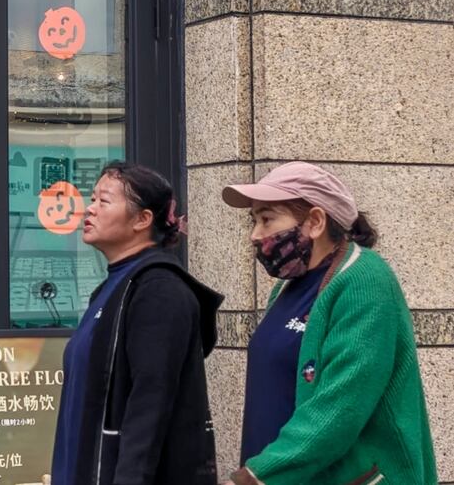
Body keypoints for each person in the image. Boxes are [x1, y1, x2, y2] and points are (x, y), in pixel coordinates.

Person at [221, 162, 435, 485]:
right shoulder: (286, 288)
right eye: (254, 221)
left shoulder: (365, 281)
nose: (255, 235)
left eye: (267, 219)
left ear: (316, 221)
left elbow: (340, 407)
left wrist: (255, 475)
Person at [51, 162, 222, 485]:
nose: (90, 209)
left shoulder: (159, 290)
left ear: (142, 220)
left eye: (104, 201)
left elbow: (150, 404)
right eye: (92, 199)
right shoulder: (113, 287)